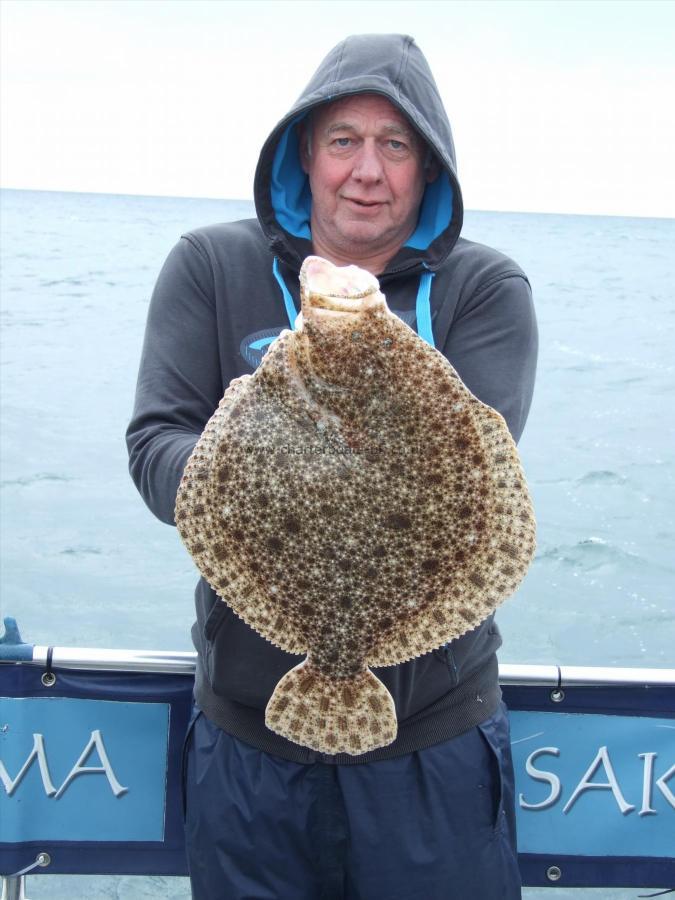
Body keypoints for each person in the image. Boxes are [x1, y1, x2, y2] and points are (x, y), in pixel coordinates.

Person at [127, 33, 537, 900]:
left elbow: (480, 479)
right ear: (303, 153)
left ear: (427, 170)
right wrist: (247, 441)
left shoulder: (485, 289)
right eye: (343, 139)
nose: (367, 169)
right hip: (248, 741)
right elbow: (154, 446)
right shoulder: (209, 265)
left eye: (396, 145)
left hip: (432, 740)